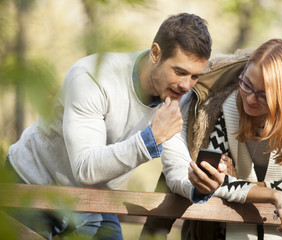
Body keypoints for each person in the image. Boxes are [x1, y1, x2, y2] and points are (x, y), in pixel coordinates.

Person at [3, 13, 212, 239]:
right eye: (179, 72)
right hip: (31, 186)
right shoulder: (93, 78)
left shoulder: (181, 95)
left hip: (92, 201)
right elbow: (85, 167)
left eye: (194, 76)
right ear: (155, 53)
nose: (185, 85)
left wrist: (198, 184)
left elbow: (176, 165)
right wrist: (149, 140)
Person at [159, 38, 282, 239]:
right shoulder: (222, 111)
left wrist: (244, 185)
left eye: (264, 95)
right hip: (231, 233)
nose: (250, 99)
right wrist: (275, 196)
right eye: (246, 84)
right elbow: (213, 181)